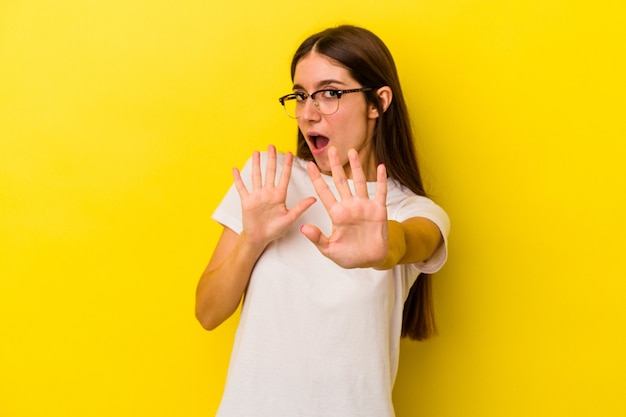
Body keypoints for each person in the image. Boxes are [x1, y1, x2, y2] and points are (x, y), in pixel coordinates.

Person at [196, 25, 450, 417]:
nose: (308, 113)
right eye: (300, 96)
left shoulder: (409, 209)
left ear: (377, 103)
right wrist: (252, 240)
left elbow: (412, 241)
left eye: (330, 93)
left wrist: (383, 247)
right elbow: (208, 313)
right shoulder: (269, 181)